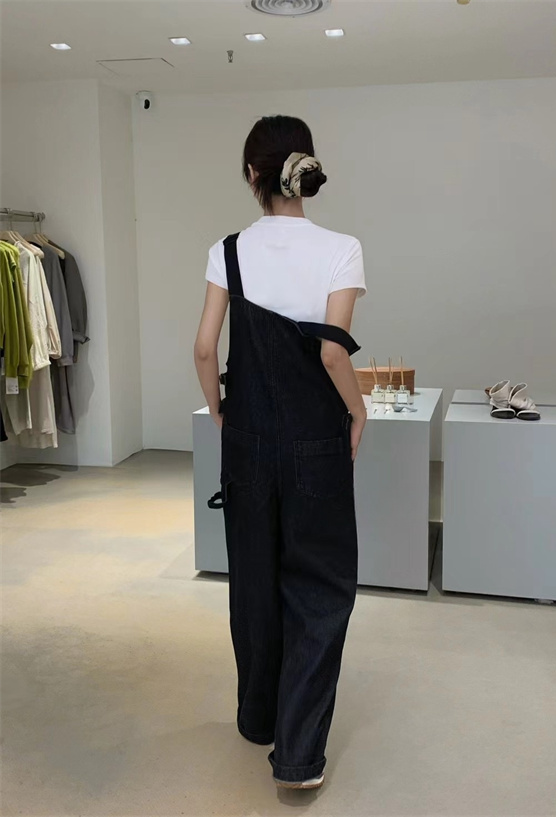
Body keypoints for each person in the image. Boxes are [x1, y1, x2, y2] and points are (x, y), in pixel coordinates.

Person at [194, 115, 367, 790]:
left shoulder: (228, 250)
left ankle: (257, 718)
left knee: (254, 581)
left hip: (247, 440)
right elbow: (332, 353)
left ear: (252, 175)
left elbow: (205, 348)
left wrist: (220, 410)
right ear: (307, 168)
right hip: (316, 441)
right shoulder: (342, 248)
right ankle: (298, 758)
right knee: (319, 588)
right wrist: (358, 410)